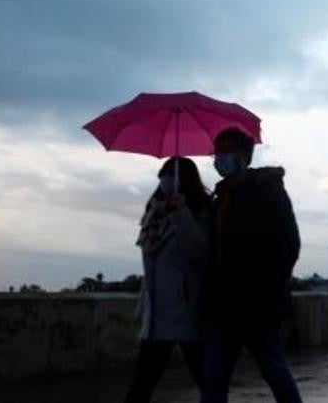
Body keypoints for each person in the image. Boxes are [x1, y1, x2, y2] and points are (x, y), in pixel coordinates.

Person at [201, 127, 302, 403]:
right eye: (216, 152)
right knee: (213, 381)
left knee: (274, 372)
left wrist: (266, 288)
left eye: (224, 152)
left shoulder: (266, 190)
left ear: (243, 156)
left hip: (260, 306)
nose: (218, 158)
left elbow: (289, 244)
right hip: (223, 306)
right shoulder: (220, 197)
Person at [124, 156, 211, 403]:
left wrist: (181, 213)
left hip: (187, 309)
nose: (166, 179)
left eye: (171, 174)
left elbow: (199, 251)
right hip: (158, 312)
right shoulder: (155, 212)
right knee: (142, 384)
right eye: (163, 174)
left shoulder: (202, 210)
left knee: (207, 380)